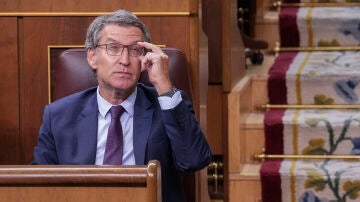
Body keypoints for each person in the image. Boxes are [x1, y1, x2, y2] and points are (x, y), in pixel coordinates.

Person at [32, 9, 212, 202]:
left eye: (135, 50)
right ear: (92, 57)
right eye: (113, 48)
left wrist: (164, 86)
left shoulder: (167, 105)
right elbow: (40, 185)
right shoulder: (59, 115)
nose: (125, 61)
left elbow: (194, 160)